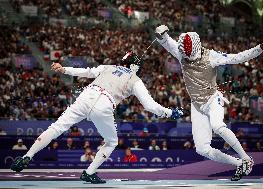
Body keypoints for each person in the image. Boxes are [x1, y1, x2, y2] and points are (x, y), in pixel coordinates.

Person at [10, 51, 183, 184]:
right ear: (136, 66)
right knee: (112, 142)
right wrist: (170, 113)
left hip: (87, 95)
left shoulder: (108, 67)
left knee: (57, 127)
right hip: (104, 104)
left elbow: (86, 72)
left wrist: (64, 69)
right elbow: (150, 106)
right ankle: (89, 173)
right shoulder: (135, 79)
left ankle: (27, 155)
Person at [155, 24, 263, 181]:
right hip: (197, 106)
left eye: (188, 53)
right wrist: (161, 33)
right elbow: (166, 41)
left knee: (217, 125)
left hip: (213, 99)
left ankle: (246, 158)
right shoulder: (181, 53)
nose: (186, 57)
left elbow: (237, 57)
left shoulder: (211, 56)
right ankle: (239, 163)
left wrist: (260, 48)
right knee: (202, 149)